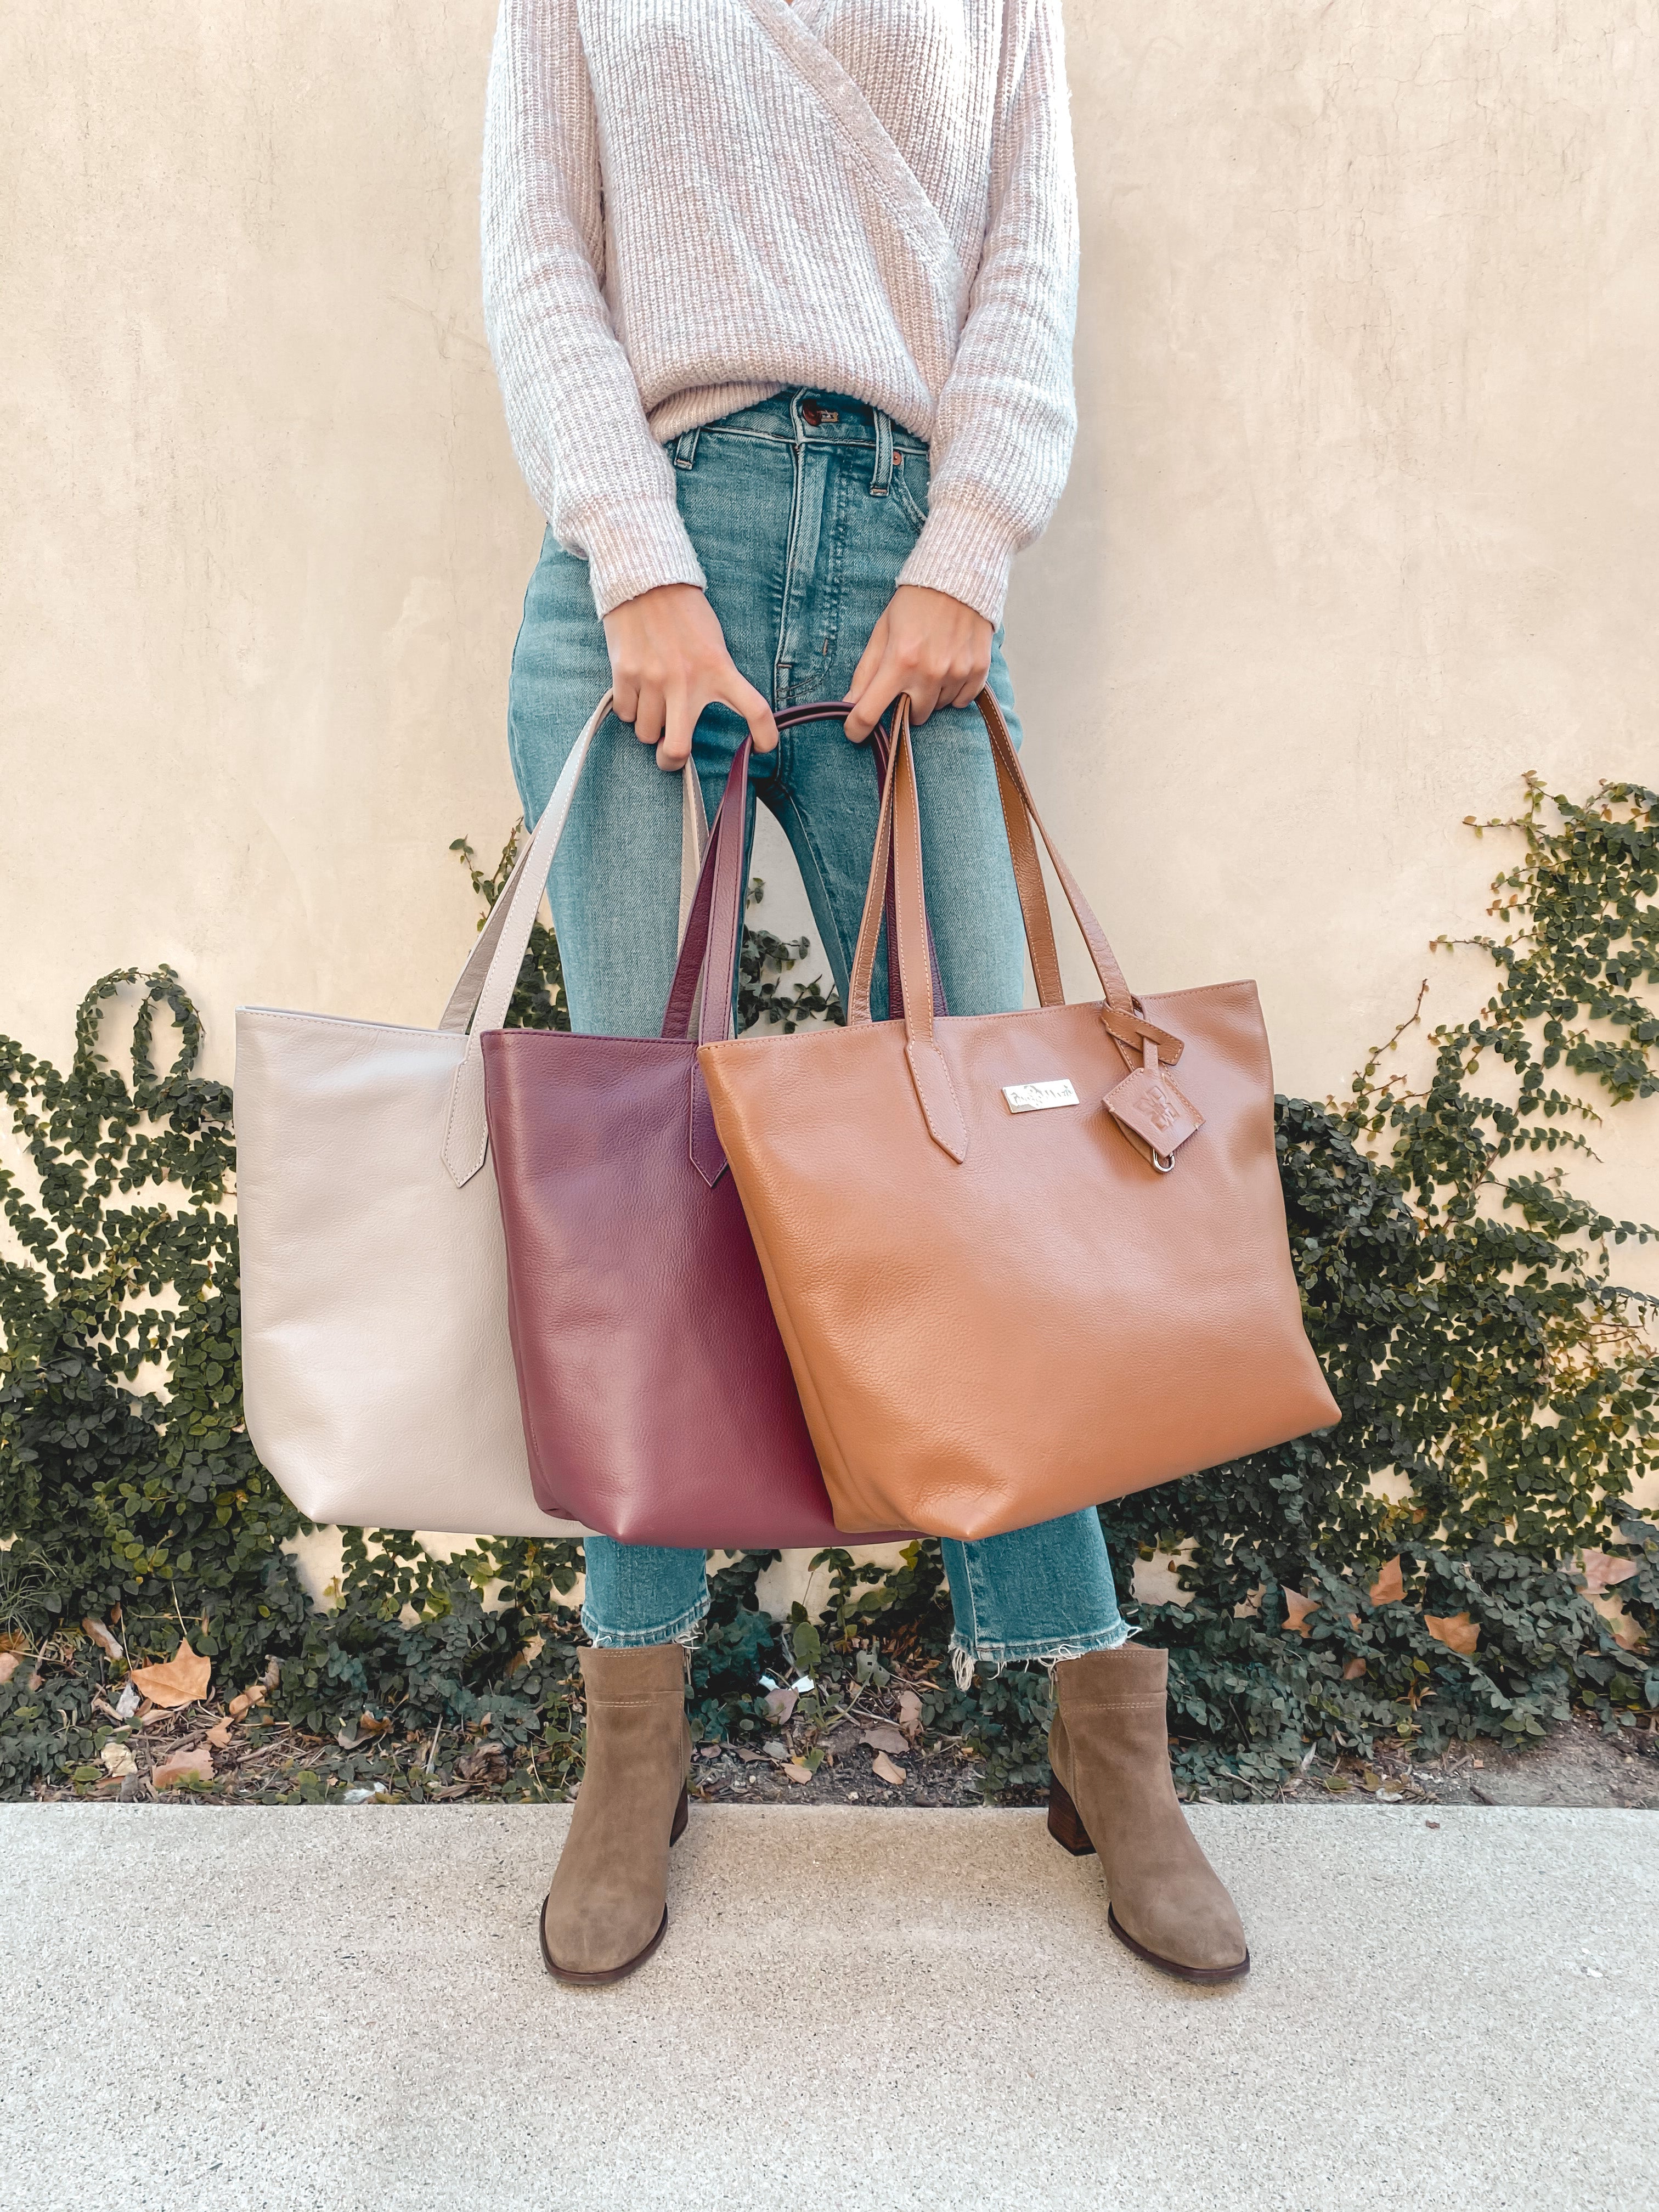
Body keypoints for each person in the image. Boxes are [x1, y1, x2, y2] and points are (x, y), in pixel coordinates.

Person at [481, 0, 1247, 1988]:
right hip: (657, 570)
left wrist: (968, 548)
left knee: (1000, 1175)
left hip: (906, 563)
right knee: (653, 1185)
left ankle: (1098, 1720)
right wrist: (642, 567)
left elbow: (1025, 259)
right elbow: (538, 251)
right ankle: (635, 1735)